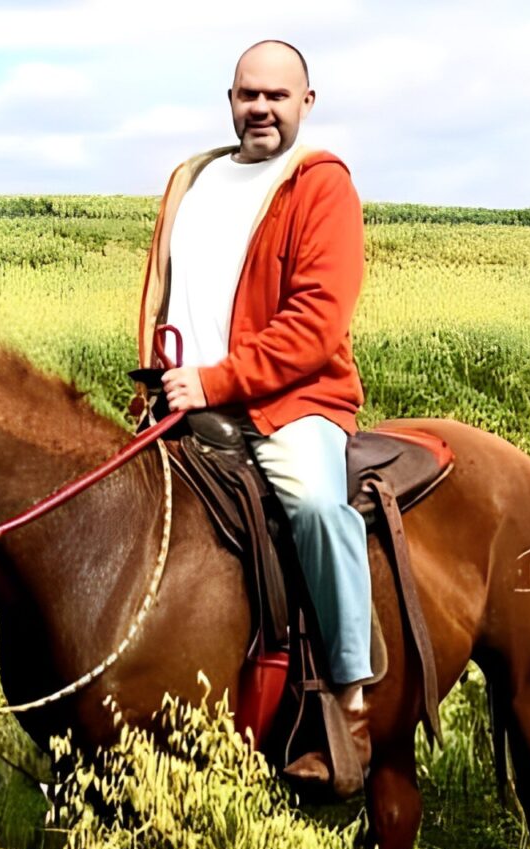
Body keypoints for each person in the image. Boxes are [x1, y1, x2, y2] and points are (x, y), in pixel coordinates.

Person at [137, 39, 372, 785]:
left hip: (286, 403)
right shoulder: (194, 181)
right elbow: (161, 291)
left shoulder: (320, 185)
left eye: (276, 95)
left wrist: (217, 381)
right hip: (181, 402)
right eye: (248, 95)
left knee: (313, 507)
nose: (260, 109)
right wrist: (160, 373)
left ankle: (349, 695)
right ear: (230, 100)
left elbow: (317, 323)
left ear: (306, 101)